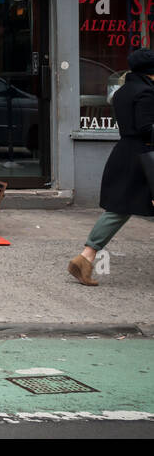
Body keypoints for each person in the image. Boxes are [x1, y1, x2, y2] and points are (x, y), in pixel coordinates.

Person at [68, 47, 154, 286]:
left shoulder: (123, 91)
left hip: (126, 153)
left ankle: (86, 257)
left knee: (118, 209)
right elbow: (146, 127)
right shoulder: (147, 93)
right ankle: (85, 257)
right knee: (119, 209)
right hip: (145, 156)